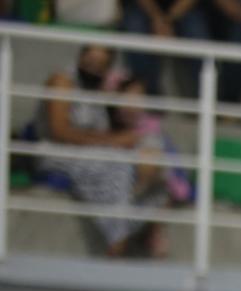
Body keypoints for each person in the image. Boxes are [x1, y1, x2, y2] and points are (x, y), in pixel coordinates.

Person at [40, 45, 174, 258]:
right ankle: (117, 245)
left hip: (98, 151)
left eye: (101, 65)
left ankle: (132, 231)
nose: (94, 69)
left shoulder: (101, 90)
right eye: (90, 62)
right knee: (117, 167)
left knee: (161, 176)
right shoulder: (63, 81)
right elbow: (59, 132)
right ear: (80, 57)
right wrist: (113, 141)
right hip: (59, 153)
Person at [117, 0, 210, 98]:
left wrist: (168, 20)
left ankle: (207, 101)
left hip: (183, 9)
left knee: (197, 36)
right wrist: (157, 18)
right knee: (135, 28)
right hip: (144, 7)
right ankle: (147, 98)